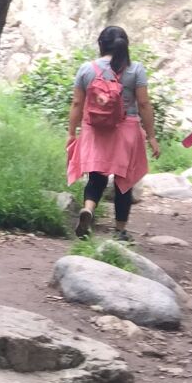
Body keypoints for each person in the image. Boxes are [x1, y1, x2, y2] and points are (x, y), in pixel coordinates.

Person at [67, 25, 158, 242]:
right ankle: (119, 231)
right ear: (125, 45)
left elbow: (77, 103)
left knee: (96, 176)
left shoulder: (87, 69)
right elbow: (144, 104)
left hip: (94, 129)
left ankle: (88, 208)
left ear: (101, 45)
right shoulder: (135, 69)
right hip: (126, 130)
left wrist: (72, 132)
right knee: (123, 182)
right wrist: (152, 136)